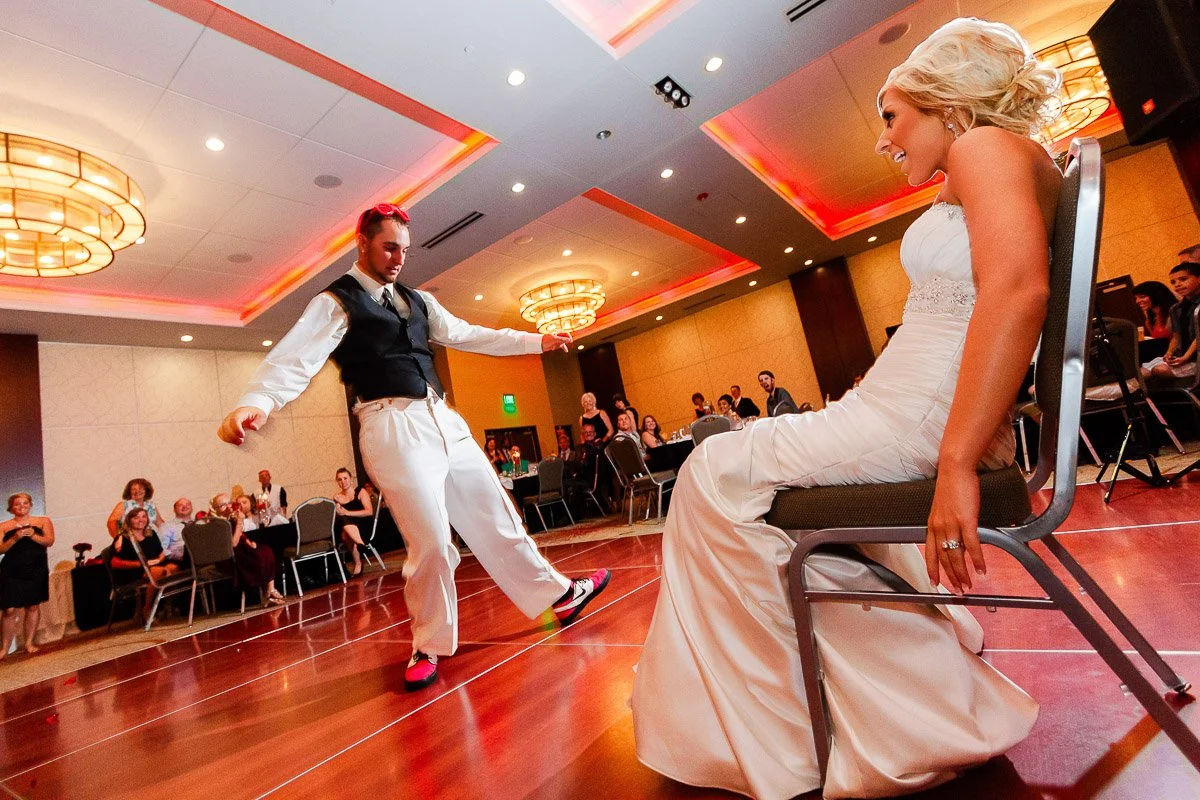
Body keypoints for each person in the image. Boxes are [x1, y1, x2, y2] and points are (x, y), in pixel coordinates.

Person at [634, 18, 1058, 798]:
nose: (883, 139)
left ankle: (787, 731)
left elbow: (1019, 291)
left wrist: (957, 463)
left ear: (946, 103)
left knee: (709, 472)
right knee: (729, 464)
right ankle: (872, 687)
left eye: (892, 115)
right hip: (910, 407)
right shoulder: (987, 159)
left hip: (923, 420)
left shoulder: (984, 148)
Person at [217, 202, 609, 692]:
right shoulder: (337, 301)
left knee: (497, 517)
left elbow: (467, 333)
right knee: (432, 541)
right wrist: (258, 402)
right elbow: (296, 357)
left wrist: (534, 342)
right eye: (388, 247)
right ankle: (428, 643)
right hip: (390, 424)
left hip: (443, 418)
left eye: (404, 249)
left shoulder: (418, 300)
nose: (399, 258)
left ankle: (559, 595)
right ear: (362, 243)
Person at [0, 493, 54, 658]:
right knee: (9, 609)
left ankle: (29, 643)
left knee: (32, 606)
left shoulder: (43, 521)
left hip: (36, 568)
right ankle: (4, 648)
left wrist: (34, 535)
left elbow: (49, 541)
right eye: (17, 504)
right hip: (11, 570)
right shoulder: (4, 526)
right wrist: (15, 538)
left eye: (25, 503)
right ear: (11, 508)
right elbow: (1, 549)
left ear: (30, 505)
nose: (21, 506)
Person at [211, 494, 284, 606]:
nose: (228, 506)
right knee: (260, 556)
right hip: (228, 557)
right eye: (223, 505)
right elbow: (233, 543)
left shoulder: (231, 519)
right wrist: (240, 522)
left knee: (266, 550)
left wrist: (250, 543)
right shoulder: (217, 524)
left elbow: (241, 536)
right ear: (216, 509)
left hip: (239, 551)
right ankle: (268, 593)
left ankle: (270, 589)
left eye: (229, 503)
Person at [1145, 262, 1200, 380]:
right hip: (1182, 354)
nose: (1177, 284)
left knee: (1159, 370)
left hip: (1196, 357)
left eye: (1183, 279)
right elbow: (1176, 336)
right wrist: (1169, 353)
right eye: (1173, 282)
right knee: (1142, 372)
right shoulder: (1175, 309)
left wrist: (1186, 357)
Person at [333, 467, 374, 577]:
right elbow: (339, 515)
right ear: (337, 482)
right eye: (340, 479)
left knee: (346, 531)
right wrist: (340, 510)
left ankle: (358, 562)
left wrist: (348, 513)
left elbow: (369, 512)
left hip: (364, 525)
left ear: (351, 479)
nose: (343, 482)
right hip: (348, 528)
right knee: (344, 524)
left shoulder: (361, 491)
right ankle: (360, 545)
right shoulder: (337, 497)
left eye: (345, 478)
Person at [158, 497, 194, 566]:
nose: (184, 506)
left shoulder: (199, 523)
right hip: (179, 561)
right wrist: (177, 556)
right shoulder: (166, 526)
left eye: (188, 504)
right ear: (174, 509)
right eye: (180, 505)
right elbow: (162, 548)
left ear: (192, 508)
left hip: (201, 556)